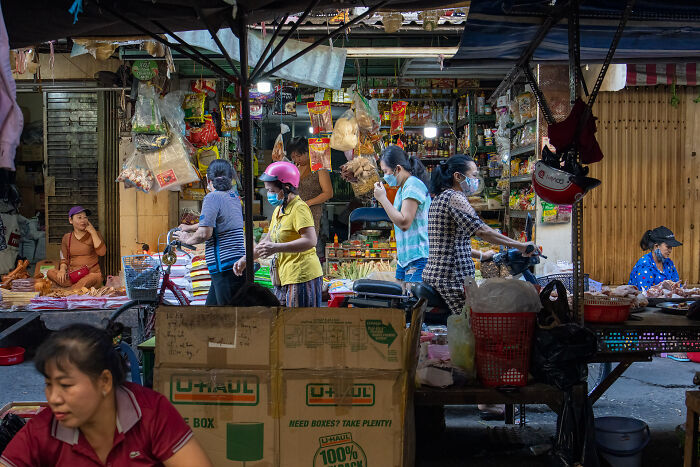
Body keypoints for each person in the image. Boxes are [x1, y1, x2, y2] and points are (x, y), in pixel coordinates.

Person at [0, 324, 212, 467]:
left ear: (104, 382)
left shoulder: (150, 412)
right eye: (49, 384)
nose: (54, 398)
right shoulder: (44, 429)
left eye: (66, 385)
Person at [423, 155, 537, 315]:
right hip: (451, 279)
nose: (476, 180)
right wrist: (520, 245)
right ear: (458, 176)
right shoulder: (454, 197)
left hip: (439, 275)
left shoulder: (440, 198)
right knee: (473, 321)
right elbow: (482, 231)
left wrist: (481, 255)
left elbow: (448, 243)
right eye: (474, 175)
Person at [234, 161, 323, 307]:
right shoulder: (279, 210)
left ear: (286, 187)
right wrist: (246, 259)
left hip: (301, 276)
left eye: (272, 191)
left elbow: (310, 240)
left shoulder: (299, 208)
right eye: (268, 190)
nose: (269, 195)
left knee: (296, 324)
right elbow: (267, 242)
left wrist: (276, 248)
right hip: (282, 276)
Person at [176, 160, 245, 305]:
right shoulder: (233, 197)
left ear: (208, 179)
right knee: (211, 311)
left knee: (226, 318)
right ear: (231, 178)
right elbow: (219, 221)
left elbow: (204, 234)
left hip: (224, 267)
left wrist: (186, 239)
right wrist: (189, 228)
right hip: (235, 263)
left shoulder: (212, 197)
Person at [373, 146, 431, 286]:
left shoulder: (412, 185)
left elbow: (404, 223)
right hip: (405, 259)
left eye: (386, 171)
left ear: (398, 169)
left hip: (418, 258)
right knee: (400, 302)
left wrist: (383, 199)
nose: (385, 176)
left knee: (412, 303)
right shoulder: (402, 188)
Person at [288, 136, 334, 246]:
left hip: (312, 212)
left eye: (299, 156)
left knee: (308, 245)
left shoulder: (319, 168)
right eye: (293, 156)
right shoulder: (294, 168)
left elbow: (328, 193)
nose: (296, 159)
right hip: (294, 212)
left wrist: (307, 203)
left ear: (307, 152)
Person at [47, 206, 105, 290]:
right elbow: (64, 259)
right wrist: (62, 270)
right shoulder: (67, 237)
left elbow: (102, 252)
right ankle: (75, 289)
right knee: (50, 272)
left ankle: (68, 290)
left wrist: (93, 232)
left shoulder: (95, 234)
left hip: (91, 274)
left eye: (85, 217)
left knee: (88, 280)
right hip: (74, 276)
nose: (83, 220)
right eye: (79, 217)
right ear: (70, 220)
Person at [628, 226, 682, 290]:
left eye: (671, 247)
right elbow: (645, 293)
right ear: (656, 246)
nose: (670, 250)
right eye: (668, 247)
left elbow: (678, 286)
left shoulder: (669, 263)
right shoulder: (645, 265)